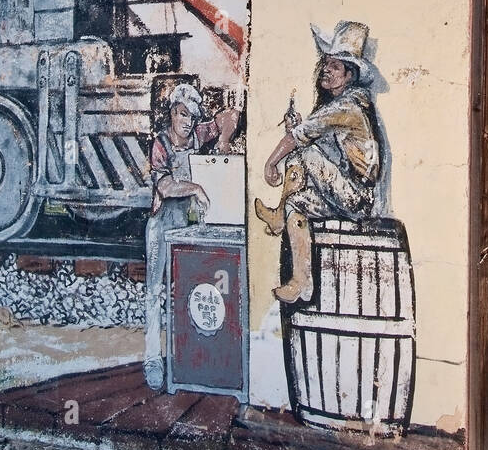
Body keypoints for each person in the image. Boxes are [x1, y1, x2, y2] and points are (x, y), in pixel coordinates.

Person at [255, 22, 381, 305]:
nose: (326, 69)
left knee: (302, 153)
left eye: (335, 66)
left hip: (357, 198)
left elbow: (302, 138)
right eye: (326, 62)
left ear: (349, 75)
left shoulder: (347, 106)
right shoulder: (341, 106)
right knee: (295, 204)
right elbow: (325, 145)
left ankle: (277, 216)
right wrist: (300, 130)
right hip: (347, 194)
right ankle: (302, 282)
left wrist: (271, 163)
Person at [144, 82, 239, 391]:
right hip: (163, 225)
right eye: (182, 114)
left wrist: (223, 139)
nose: (187, 122)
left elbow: (231, 116)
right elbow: (166, 187)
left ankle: (186, 356)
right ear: (172, 113)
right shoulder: (160, 144)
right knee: (155, 291)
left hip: (188, 225)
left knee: (188, 290)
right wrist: (196, 188)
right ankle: (152, 357)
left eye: (192, 117)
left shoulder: (198, 135)